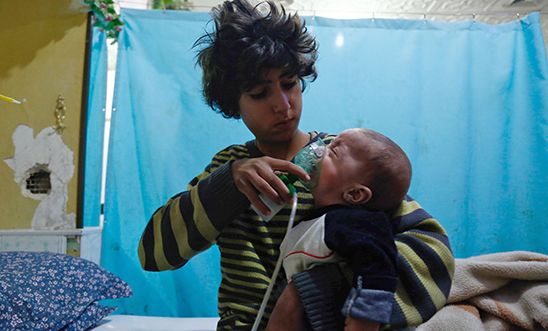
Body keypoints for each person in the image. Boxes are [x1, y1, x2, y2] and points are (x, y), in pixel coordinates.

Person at [137, 1, 455, 330]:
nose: (283, 105)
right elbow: (153, 255)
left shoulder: (344, 163)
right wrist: (228, 184)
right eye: (260, 94)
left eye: (289, 84)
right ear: (234, 102)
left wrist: (319, 288)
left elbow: (436, 257)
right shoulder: (228, 170)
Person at [272, 128, 411, 331]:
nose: (318, 149)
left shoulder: (353, 221)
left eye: (333, 151)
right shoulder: (311, 223)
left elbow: (378, 260)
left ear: (354, 194)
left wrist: (365, 318)